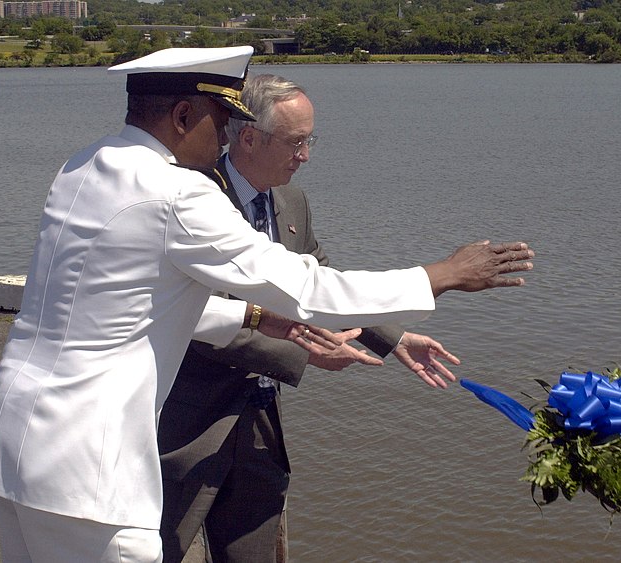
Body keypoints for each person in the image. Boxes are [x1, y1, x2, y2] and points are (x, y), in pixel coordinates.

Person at [0, 46, 535, 562]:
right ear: (185, 116)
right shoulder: (177, 192)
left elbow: (124, 302)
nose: (224, 140)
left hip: (13, 447)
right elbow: (307, 286)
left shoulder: (83, 166)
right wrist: (441, 274)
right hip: (88, 468)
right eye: (222, 121)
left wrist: (259, 318)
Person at [158, 73, 461, 563]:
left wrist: (393, 337)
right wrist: (303, 347)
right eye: (296, 142)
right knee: (155, 549)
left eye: (309, 141)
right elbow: (193, 315)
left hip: (259, 421)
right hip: (185, 426)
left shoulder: (290, 199)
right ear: (250, 139)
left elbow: (316, 274)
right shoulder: (190, 200)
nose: (306, 156)